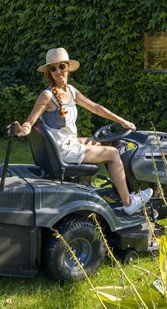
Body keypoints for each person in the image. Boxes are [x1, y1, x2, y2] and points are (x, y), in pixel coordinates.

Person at [13, 47, 153, 215]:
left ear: (68, 68)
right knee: (114, 154)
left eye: (61, 66)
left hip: (66, 143)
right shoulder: (47, 96)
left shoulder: (71, 91)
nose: (58, 71)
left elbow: (95, 107)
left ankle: (85, 187)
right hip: (62, 150)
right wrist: (23, 130)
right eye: (53, 68)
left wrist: (122, 121)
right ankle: (128, 202)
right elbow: (30, 121)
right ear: (49, 72)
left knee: (96, 142)